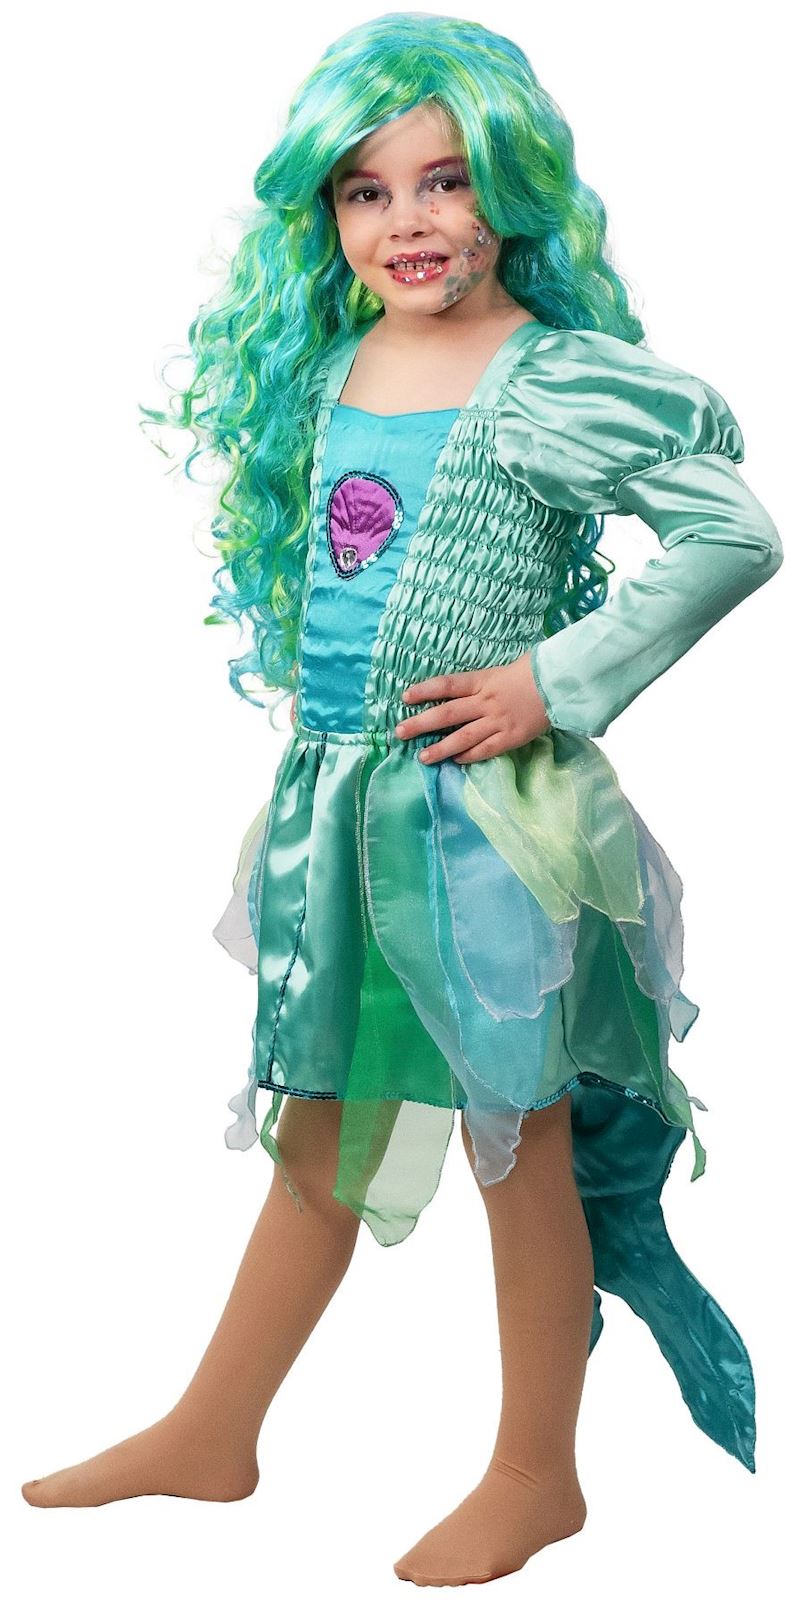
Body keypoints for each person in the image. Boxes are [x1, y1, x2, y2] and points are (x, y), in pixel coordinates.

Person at [21, 11, 783, 1587]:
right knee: (319, 1124)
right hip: (345, 812)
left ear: (511, 183)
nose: (409, 220)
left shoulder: (550, 380)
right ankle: (216, 1428)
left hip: (489, 828)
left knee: (519, 1139)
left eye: (445, 180)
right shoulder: (331, 366)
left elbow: (733, 534)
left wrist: (555, 680)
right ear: (329, 213)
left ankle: (538, 1472)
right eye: (366, 192)